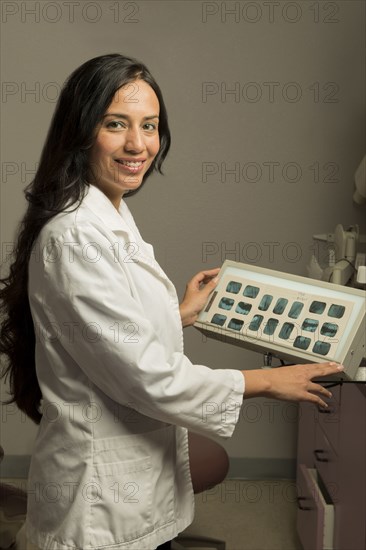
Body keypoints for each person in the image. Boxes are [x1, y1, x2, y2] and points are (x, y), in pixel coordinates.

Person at [0, 54, 343, 550]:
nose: (138, 144)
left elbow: (103, 333)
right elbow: (146, 376)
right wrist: (267, 382)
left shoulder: (105, 212)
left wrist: (178, 313)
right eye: (116, 124)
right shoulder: (76, 236)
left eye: (150, 126)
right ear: (80, 131)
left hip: (131, 457)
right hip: (99, 498)